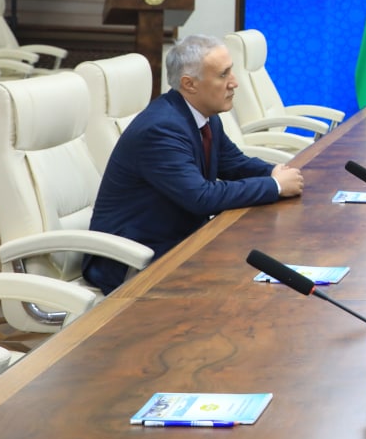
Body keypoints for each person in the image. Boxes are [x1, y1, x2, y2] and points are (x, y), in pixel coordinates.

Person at [83, 35, 304, 293]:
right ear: (189, 84)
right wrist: (275, 185)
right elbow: (201, 197)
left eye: (231, 71)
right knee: (248, 286)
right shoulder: (161, 129)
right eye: (223, 75)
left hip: (181, 242)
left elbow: (233, 163)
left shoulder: (203, 115)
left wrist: (274, 172)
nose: (234, 82)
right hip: (134, 262)